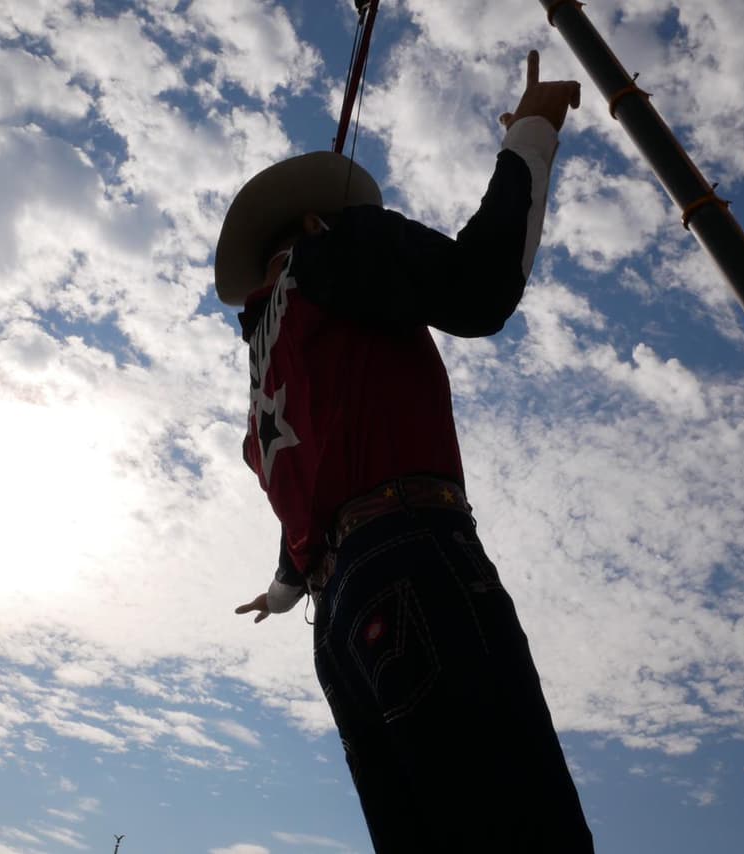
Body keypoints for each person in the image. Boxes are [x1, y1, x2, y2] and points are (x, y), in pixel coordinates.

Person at [220, 51, 594, 853]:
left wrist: (287, 590)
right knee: (519, 829)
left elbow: (302, 512)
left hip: (340, 619)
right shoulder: (337, 247)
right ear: (317, 220)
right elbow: (479, 286)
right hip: (411, 561)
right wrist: (533, 130)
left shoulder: (262, 376)